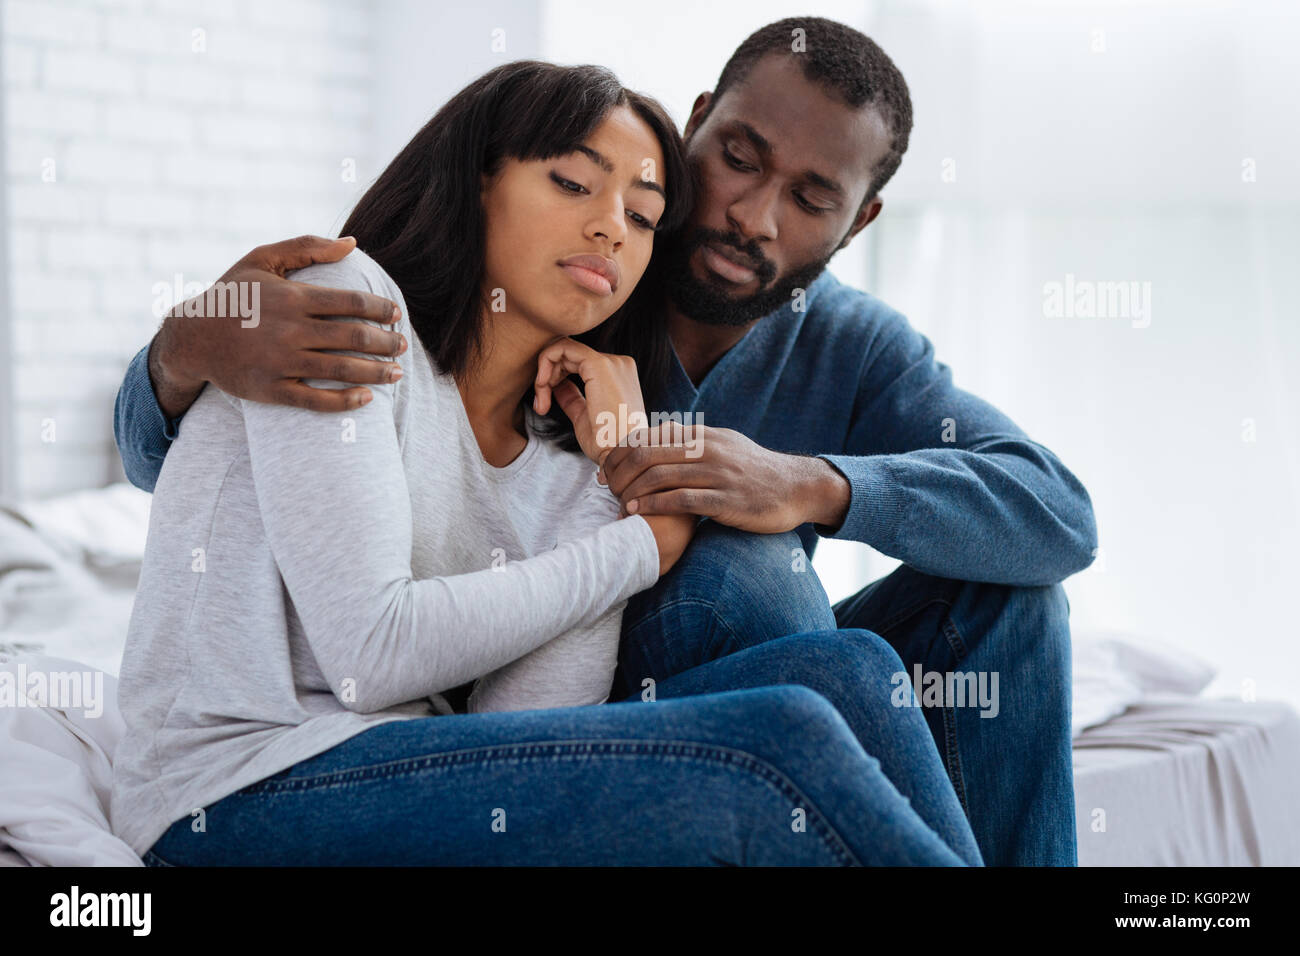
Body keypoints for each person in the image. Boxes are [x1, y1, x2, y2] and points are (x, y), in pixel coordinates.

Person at [115, 18, 1096, 866]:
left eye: (637, 213)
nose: (612, 233)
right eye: (574, 185)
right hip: (235, 781)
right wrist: (185, 345)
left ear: (857, 220)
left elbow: (528, 733)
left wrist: (758, 482)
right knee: (780, 692)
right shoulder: (351, 311)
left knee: (865, 668)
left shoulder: (580, 431)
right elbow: (266, 530)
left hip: (436, 749)